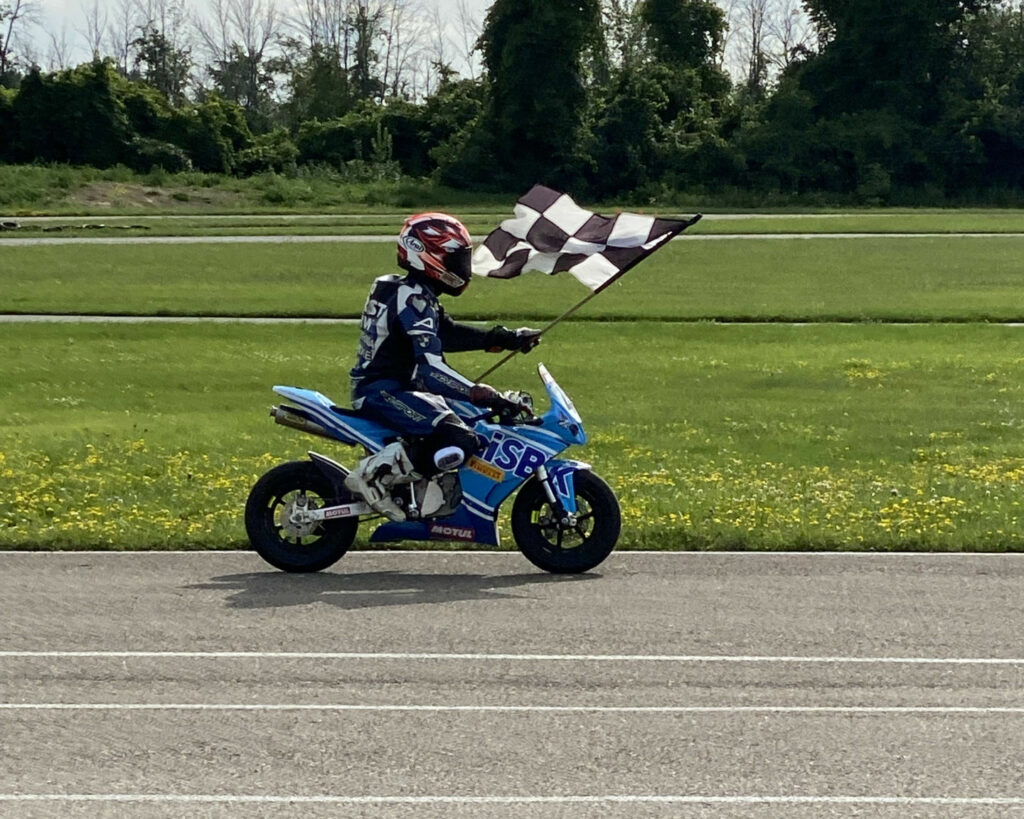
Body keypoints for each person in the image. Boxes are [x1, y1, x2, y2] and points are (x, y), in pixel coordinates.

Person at [343, 212, 541, 520]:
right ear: (427, 256)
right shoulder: (411, 298)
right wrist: (479, 392)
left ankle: (426, 493)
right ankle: (374, 475)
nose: (461, 268)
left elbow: (444, 333)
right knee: (460, 439)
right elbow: (431, 370)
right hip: (383, 391)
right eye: (454, 259)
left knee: (476, 423)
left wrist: (506, 338)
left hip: (399, 389)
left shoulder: (409, 292)